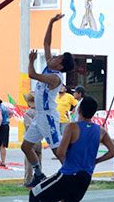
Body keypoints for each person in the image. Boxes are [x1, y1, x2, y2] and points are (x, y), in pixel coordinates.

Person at [22, 14, 76, 188]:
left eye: (58, 57)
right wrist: (51, 22)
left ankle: (73, 177)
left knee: (58, 151)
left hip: (49, 117)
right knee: (25, 146)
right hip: (40, 116)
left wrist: (31, 61)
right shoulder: (50, 66)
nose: (53, 56)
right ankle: (39, 174)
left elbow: (32, 75)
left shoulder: (55, 77)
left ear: (60, 65)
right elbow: (46, 44)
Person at [30, 96, 114, 202]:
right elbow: (113, 151)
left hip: (68, 174)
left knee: (35, 194)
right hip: (85, 177)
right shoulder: (101, 131)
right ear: (94, 112)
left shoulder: (72, 127)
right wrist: (96, 161)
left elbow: (60, 152)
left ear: (79, 110)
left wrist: (67, 163)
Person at [22, 92, 42, 187]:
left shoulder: (28, 113)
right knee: (38, 160)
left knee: (29, 162)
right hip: (39, 139)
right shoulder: (40, 113)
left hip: (30, 140)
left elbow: (28, 126)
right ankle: (39, 178)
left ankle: (28, 181)